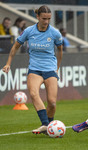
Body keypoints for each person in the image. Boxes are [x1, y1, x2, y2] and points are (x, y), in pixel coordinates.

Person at [2, 5, 63, 134]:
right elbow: (15, 47)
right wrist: (8, 63)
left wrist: (57, 68)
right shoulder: (29, 31)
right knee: (34, 94)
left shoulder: (54, 33)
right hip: (34, 68)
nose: (46, 22)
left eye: (48, 19)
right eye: (44, 18)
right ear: (37, 17)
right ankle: (46, 124)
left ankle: (48, 127)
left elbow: (60, 50)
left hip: (50, 69)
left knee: (52, 102)